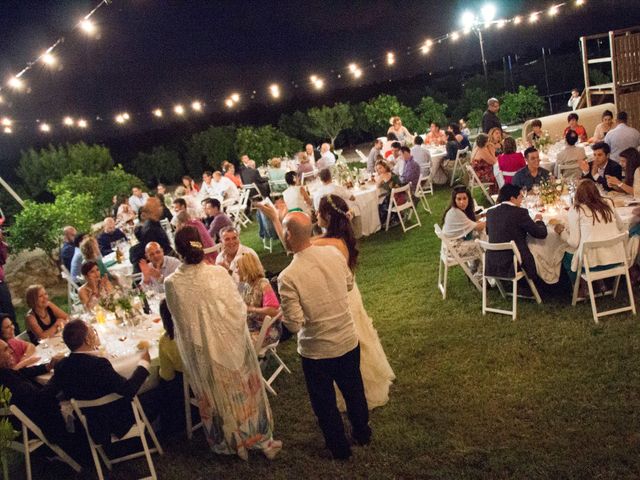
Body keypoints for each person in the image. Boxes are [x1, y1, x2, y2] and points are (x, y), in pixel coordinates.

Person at [164, 226, 281, 460]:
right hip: (231, 341)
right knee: (243, 391)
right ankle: (255, 435)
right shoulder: (217, 273)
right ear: (201, 244)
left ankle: (228, 440)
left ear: (177, 251)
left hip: (203, 349)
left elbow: (181, 323)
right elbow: (237, 308)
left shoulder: (172, 283)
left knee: (218, 395)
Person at [278, 212, 370, 460]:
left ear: (288, 235)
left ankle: (339, 448)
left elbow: (295, 324)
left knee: (325, 404)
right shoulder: (333, 254)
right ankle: (362, 433)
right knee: (354, 391)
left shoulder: (288, 276)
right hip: (347, 340)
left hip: (317, 351)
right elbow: (349, 284)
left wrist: (282, 320)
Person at [45, 320, 152, 447]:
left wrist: (63, 360)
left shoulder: (62, 366)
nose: (95, 335)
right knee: (153, 394)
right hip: (116, 422)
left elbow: (50, 392)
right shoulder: (99, 365)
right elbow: (129, 390)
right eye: (92, 332)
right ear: (87, 340)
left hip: (92, 425)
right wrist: (144, 364)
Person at [0, 339, 79, 459]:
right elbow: (42, 400)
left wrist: (47, 366)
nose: (11, 351)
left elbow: (21, 372)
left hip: (33, 412)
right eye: (6, 349)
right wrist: (58, 375)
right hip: (45, 423)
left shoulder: (5, 374)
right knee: (75, 391)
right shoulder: (8, 383)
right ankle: (79, 444)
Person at [554, 180, 624, 286]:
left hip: (592, 263)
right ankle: (599, 283)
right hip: (616, 258)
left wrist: (562, 233)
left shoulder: (577, 209)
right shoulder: (608, 203)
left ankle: (581, 287)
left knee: (566, 253)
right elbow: (620, 226)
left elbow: (574, 242)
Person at [484, 184, 547, 282]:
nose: (522, 200)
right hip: (513, 262)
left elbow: (488, 232)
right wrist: (539, 221)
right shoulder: (520, 213)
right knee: (539, 247)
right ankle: (544, 281)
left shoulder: (490, 213)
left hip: (492, 261)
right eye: (521, 197)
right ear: (512, 198)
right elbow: (540, 234)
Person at [237, 253, 281, 348]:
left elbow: (273, 310)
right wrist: (240, 280)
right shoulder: (247, 284)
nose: (236, 270)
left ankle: (247, 362)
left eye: (238, 267)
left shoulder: (263, 284)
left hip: (265, 331)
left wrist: (250, 309)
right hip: (251, 326)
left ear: (246, 268)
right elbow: (238, 299)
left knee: (237, 346)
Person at [442, 186, 486, 273]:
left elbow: (469, 220)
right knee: (483, 246)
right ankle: (480, 277)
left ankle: (474, 269)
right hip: (454, 249)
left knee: (477, 238)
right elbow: (479, 227)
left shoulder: (454, 210)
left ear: (469, 199)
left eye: (464, 198)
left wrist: (482, 216)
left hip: (448, 247)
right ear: (454, 200)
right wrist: (493, 219)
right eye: (459, 199)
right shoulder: (456, 213)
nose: (462, 202)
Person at [375, 160, 403, 225]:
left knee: (379, 202)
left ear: (385, 167)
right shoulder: (392, 174)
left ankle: (387, 220)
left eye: (380, 168)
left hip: (394, 200)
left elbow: (377, 185)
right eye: (377, 169)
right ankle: (395, 216)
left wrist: (380, 179)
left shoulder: (383, 176)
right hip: (401, 196)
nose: (379, 170)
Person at [0, 229, 16, 329]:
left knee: (9, 313)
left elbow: (3, 258)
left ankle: (16, 337)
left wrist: (0, 242)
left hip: (1, 284)